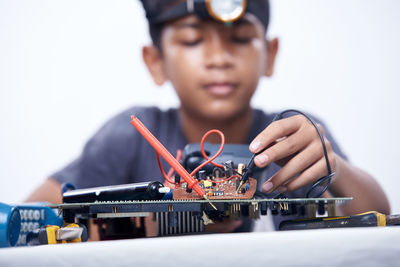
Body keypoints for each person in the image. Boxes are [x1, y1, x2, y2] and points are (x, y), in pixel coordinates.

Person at [26, 0, 390, 234]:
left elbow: (378, 218)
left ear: (270, 54)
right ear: (155, 61)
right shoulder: (130, 135)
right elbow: (29, 218)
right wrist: (162, 225)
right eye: (192, 42)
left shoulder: (296, 139)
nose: (218, 58)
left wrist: (334, 167)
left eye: (240, 38)